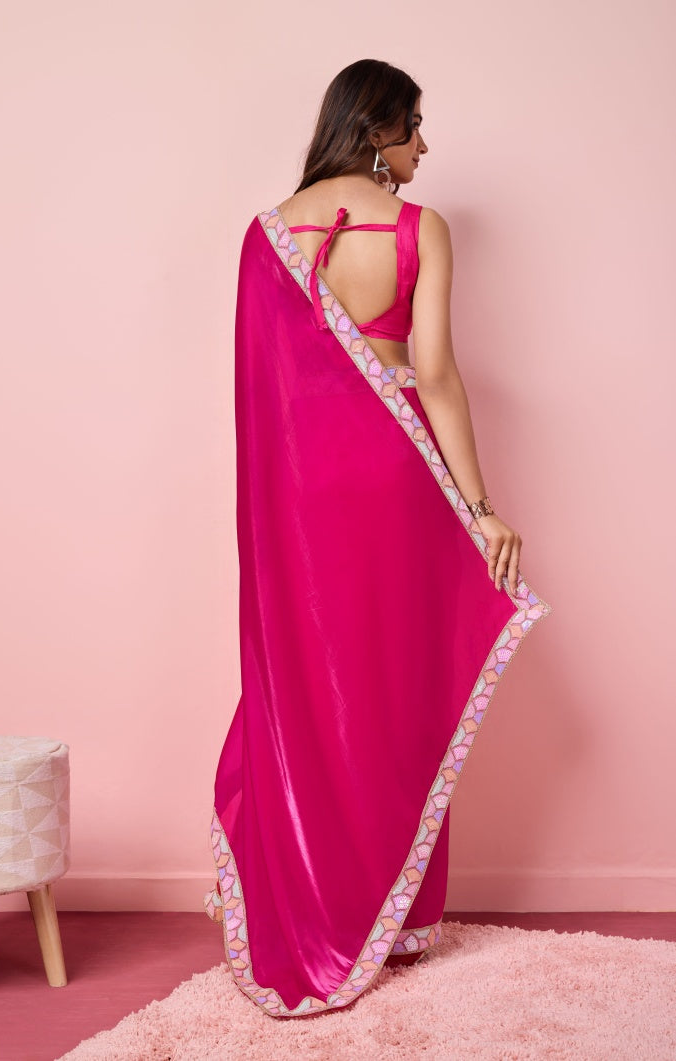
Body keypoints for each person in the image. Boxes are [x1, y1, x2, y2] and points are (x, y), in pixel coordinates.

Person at [204, 58, 551, 1018]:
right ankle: (386, 913)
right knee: (392, 682)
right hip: (396, 478)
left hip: (303, 490)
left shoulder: (266, 235)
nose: (423, 147)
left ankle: (323, 905)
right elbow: (433, 374)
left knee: (312, 680)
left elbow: (259, 402)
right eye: (413, 127)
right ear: (375, 130)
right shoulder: (414, 228)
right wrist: (480, 507)